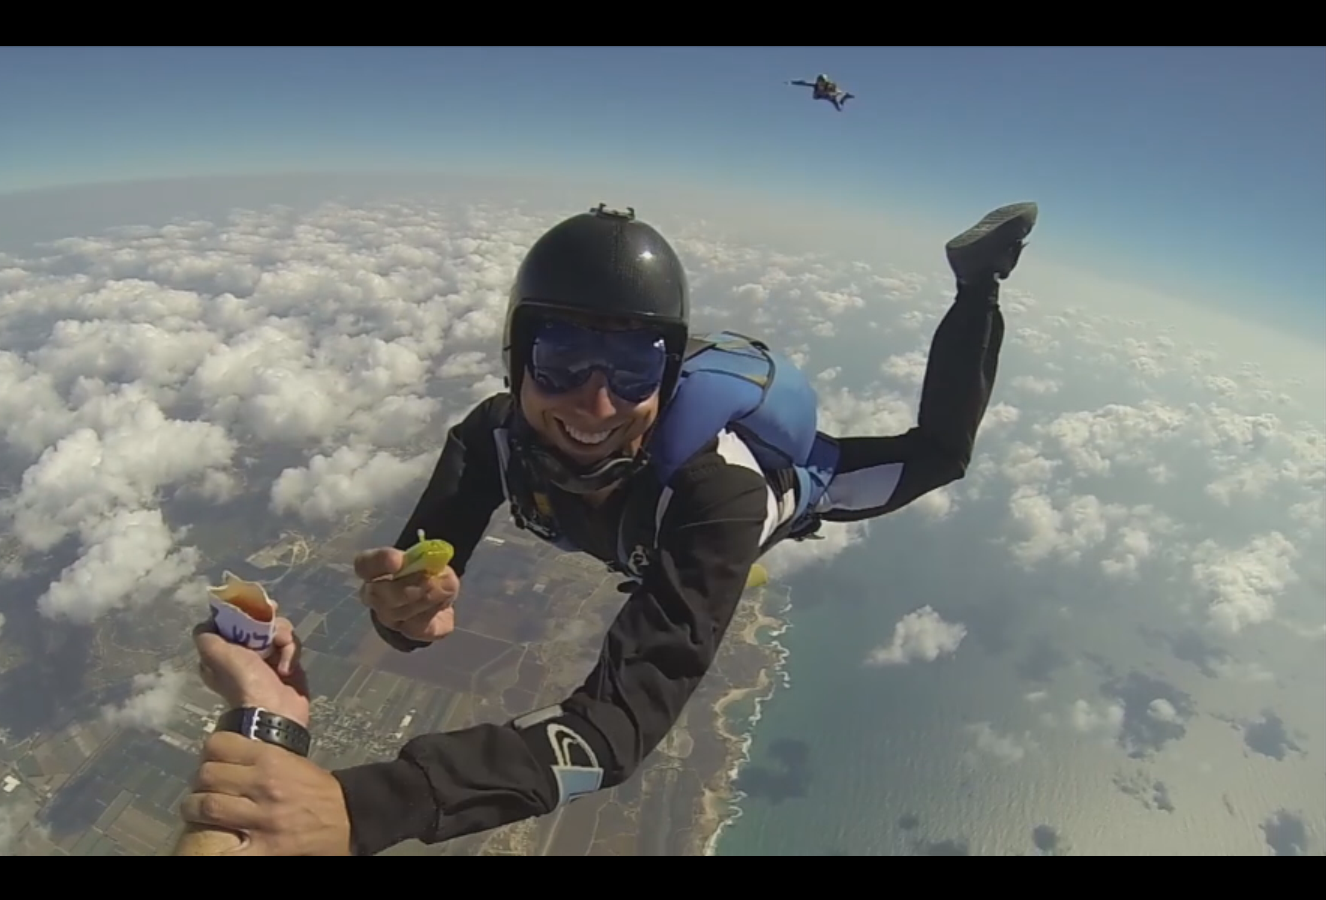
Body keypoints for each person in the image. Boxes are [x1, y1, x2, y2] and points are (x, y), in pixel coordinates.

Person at [178, 200, 1038, 855]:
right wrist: (404, 617)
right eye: (560, 360)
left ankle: (977, 282)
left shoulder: (718, 498)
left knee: (936, 458)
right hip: (642, 517)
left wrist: (365, 807)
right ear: (518, 362)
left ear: (669, 377)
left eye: (633, 368)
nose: (595, 404)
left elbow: (614, 731)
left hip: (767, 496)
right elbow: (413, 591)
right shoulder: (490, 438)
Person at [788, 74, 853, 110]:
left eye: (822, 83)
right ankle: (842, 97)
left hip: (831, 97)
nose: (821, 84)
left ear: (825, 82)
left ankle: (845, 97)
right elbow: (803, 82)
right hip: (820, 96)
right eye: (820, 83)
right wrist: (792, 82)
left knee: (839, 109)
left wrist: (839, 93)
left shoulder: (830, 85)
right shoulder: (815, 85)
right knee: (815, 97)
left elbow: (838, 91)